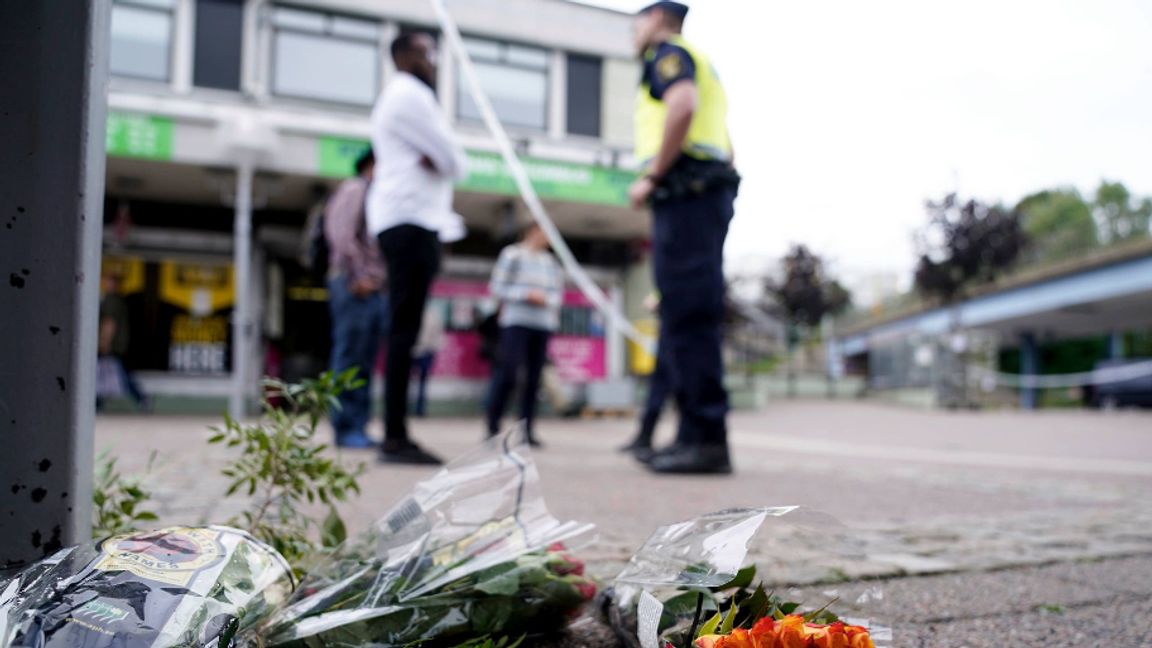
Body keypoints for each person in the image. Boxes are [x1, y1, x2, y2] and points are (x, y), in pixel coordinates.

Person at [628, 1, 741, 474]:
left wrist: (654, 176)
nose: (633, 32)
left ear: (655, 20)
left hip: (685, 189)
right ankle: (692, 435)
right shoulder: (696, 58)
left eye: (636, 22)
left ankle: (706, 439)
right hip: (700, 192)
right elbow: (728, 149)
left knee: (688, 316)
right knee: (684, 314)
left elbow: (682, 106)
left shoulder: (668, 55)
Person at [368, 32, 467, 465]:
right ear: (405, 56)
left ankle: (395, 432)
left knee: (402, 330)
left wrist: (443, 160)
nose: (434, 61)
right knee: (403, 332)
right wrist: (442, 160)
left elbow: (447, 160)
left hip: (408, 220)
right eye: (427, 53)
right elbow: (456, 161)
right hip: (411, 220)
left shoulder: (403, 97)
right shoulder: (410, 95)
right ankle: (394, 436)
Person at [324, 149, 388, 449]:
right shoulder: (355, 189)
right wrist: (358, 275)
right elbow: (341, 234)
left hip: (371, 287)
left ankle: (357, 426)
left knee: (363, 360)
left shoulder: (375, 195)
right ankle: (345, 427)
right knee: (350, 358)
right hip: (354, 284)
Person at [485, 223, 564, 447]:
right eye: (544, 232)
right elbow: (497, 287)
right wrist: (525, 294)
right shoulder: (513, 255)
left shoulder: (551, 262)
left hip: (543, 324)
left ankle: (527, 430)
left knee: (534, 379)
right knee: (508, 373)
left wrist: (545, 299)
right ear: (531, 232)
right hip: (516, 322)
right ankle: (492, 426)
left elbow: (558, 295)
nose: (547, 238)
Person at [98, 272, 150, 412]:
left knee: (116, 373)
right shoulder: (118, 300)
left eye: (107, 281)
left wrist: (104, 342)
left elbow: (109, 323)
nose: (103, 284)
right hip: (116, 345)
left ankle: (141, 398)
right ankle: (98, 402)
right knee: (108, 372)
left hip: (112, 345)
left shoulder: (112, 300)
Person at [411, 303, 444, 418]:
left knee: (423, 382)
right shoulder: (409, 312)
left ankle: (420, 409)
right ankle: (405, 409)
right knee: (406, 382)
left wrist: (432, 348)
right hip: (411, 350)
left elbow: (437, 332)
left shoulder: (432, 314)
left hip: (426, 351)